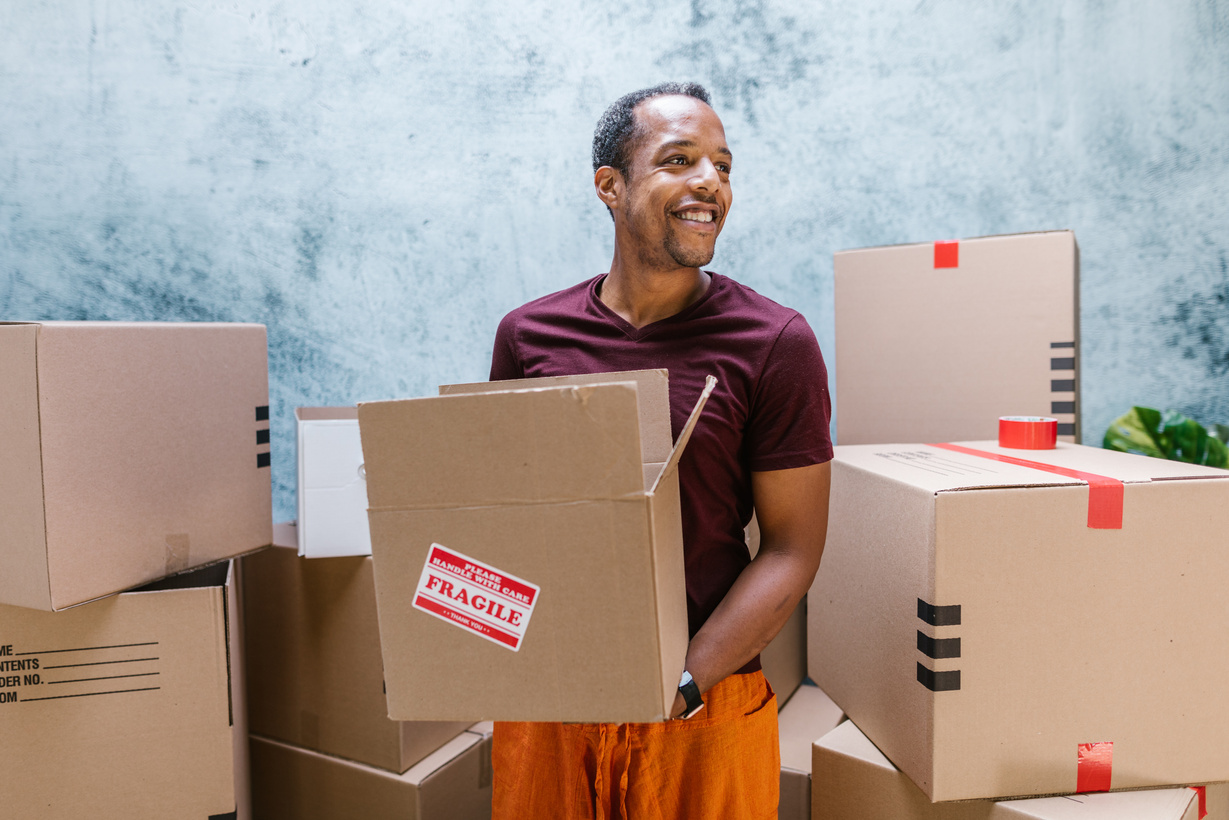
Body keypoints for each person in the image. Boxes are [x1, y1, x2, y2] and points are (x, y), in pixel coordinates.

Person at [488, 81, 833, 820]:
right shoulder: (528, 337)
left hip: (704, 700)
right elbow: (507, 522)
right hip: (554, 697)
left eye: (723, 165)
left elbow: (791, 550)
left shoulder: (774, 344)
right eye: (679, 159)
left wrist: (683, 682)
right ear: (610, 186)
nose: (710, 182)